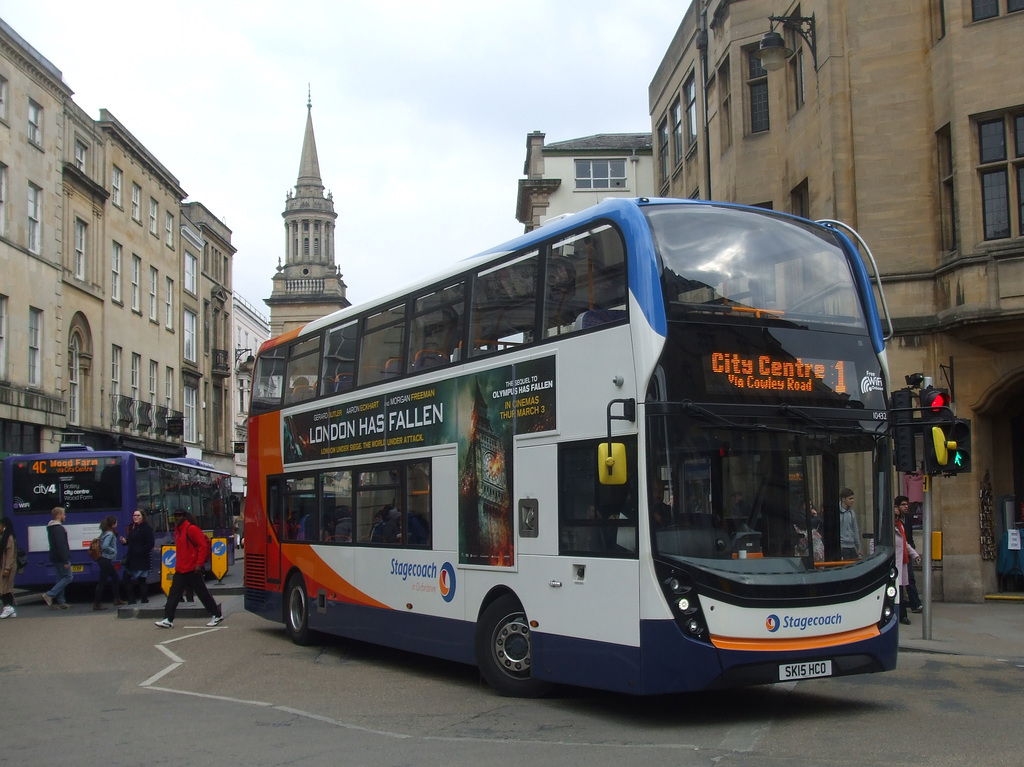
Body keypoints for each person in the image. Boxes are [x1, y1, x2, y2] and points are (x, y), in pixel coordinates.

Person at [155, 509, 223, 629]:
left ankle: (216, 614)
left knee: (202, 593)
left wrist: (199, 564)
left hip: (192, 568)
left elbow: (202, 546)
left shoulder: (191, 529)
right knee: (174, 594)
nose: (177, 518)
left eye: (180, 516)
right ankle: (168, 619)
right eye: (176, 516)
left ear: (185, 517)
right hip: (182, 568)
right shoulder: (178, 530)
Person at [895, 495, 922, 625]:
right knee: (896, 590)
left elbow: (906, 543)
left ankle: (903, 614)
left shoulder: (901, 526)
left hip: (903, 561)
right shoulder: (888, 527)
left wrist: (915, 555)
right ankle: (900, 614)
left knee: (903, 585)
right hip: (893, 563)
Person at [120, 509, 155, 604]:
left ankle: (144, 599)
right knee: (126, 578)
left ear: (142, 517)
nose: (135, 517)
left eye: (138, 515)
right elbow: (131, 541)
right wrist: (125, 542)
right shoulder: (132, 527)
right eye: (134, 515)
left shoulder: (146, 528)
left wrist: (141, 550)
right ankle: (131, 599)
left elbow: (150, 543)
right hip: (131, 557)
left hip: (142, 557)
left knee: (141, 580)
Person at [42, 506, 73, 610]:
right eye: (64, 514)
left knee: (60, 579)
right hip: (61, 558)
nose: (65, 516)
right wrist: (65, 560)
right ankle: (49, 594)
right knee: (68, 577)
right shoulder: (59, 529)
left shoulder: (51, 528)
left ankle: (61, 602)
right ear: (59, 516)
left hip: (54, 557)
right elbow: (61, 545)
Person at [94, 515, 127, 611]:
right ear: (113, 524)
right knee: (102, 582)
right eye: (116, 522)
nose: (117, 524)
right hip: (105, 559)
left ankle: (116, 599)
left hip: (104, 560)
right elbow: (104, 546)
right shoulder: (110, 534)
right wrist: (113, 551)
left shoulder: (105, 533)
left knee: (115, 578)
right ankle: (97, 604)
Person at [0, 516, 19, 618]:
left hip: (7, 567)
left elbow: (10, 554)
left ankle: (7, 607)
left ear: (4, 525)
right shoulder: (4, 536)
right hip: (5, 566)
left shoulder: (9, 538)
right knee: (5, 587)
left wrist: (7, 568)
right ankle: (10, 609)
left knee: (4, 588)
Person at [839, 488, 861, 559]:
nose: (852, 501)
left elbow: (855, 530)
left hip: (852, 546)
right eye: (850, 499)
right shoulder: (837, 512)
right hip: (842, 547)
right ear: (843, 499)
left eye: (853, 498)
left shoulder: (852, 513)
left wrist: (859, 547)